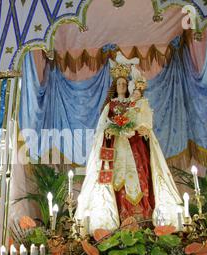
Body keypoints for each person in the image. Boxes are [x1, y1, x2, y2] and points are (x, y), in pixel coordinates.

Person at [75, 55, 183, 233]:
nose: (122, 87)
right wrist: (111, 131)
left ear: (128, 86)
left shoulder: (136, 103)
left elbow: (144, 122)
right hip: (116, 148)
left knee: (141, 177)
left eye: (125, 84)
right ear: (115, 86)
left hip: (135, 147)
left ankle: (143, 219)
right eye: (119, 84)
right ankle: (115, 220)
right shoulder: (110, 106)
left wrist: (142, 130)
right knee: (116, 180)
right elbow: (102, 127)